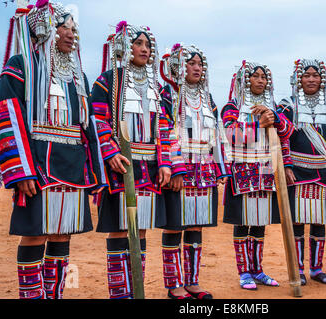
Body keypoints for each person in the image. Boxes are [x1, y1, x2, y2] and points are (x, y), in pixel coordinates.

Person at [0, 1, 106, 299]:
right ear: (45, 29)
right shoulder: (21, 66)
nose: (72, 34)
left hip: (71, 166)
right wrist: (21, 170)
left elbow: (89, 130)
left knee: (62, 233)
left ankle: (54, 294)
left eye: (74, 29)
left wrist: (96, 173)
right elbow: (7, 114)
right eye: (65, 27)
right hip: (37, 165)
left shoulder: (78, 77)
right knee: (34, 233)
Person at [90, 22, 178, 298]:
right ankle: (120, 293)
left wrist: (165, 163)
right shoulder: (107, 80)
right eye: (137, 44)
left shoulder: (156, 87)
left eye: (147, 45)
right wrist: (110, 151)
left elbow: (165, 128)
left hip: (150, 167)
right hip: (122, 167)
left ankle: (135, 289)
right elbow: (98, 119)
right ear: (124, 48)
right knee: (119, 230)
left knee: (139, 230)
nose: (143, 49)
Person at [158, 43, 229, 299]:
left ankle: (192, 281)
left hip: (205, 170)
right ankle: (174, 284)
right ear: (179, 66)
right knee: (175, 226)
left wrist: (222, 168)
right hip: (180, 169)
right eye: (191, 63)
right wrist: (175, 167)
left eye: (200, 64)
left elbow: (217, 135)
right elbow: (164, 132)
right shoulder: (167, 95)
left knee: (196, 227)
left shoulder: (208, 99)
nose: (197, 68)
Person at [221, 61, 293, 290]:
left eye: (264, 77)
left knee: (260, 223)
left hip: (265, 171)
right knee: (243, 222)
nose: (261, 80)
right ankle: (243, 272)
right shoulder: (232, 106)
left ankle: (257, 269)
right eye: (256, 76)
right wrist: (258, 123)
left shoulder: (273, 107)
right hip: (241, 170)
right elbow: (229, 134)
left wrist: (275, 118)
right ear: (245, 80)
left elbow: (288, 132)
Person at [277, 59, 326, 285]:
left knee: (319, 221)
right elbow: (281, 136)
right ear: (299, 79)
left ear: (322, 79)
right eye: (307, 75)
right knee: (297, 221)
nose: (311, 79)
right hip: (297, 172)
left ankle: (316, 268)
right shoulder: (289, 104)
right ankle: (298, 269)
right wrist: (286, 165)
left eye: (315, 75)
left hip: (324, 172)